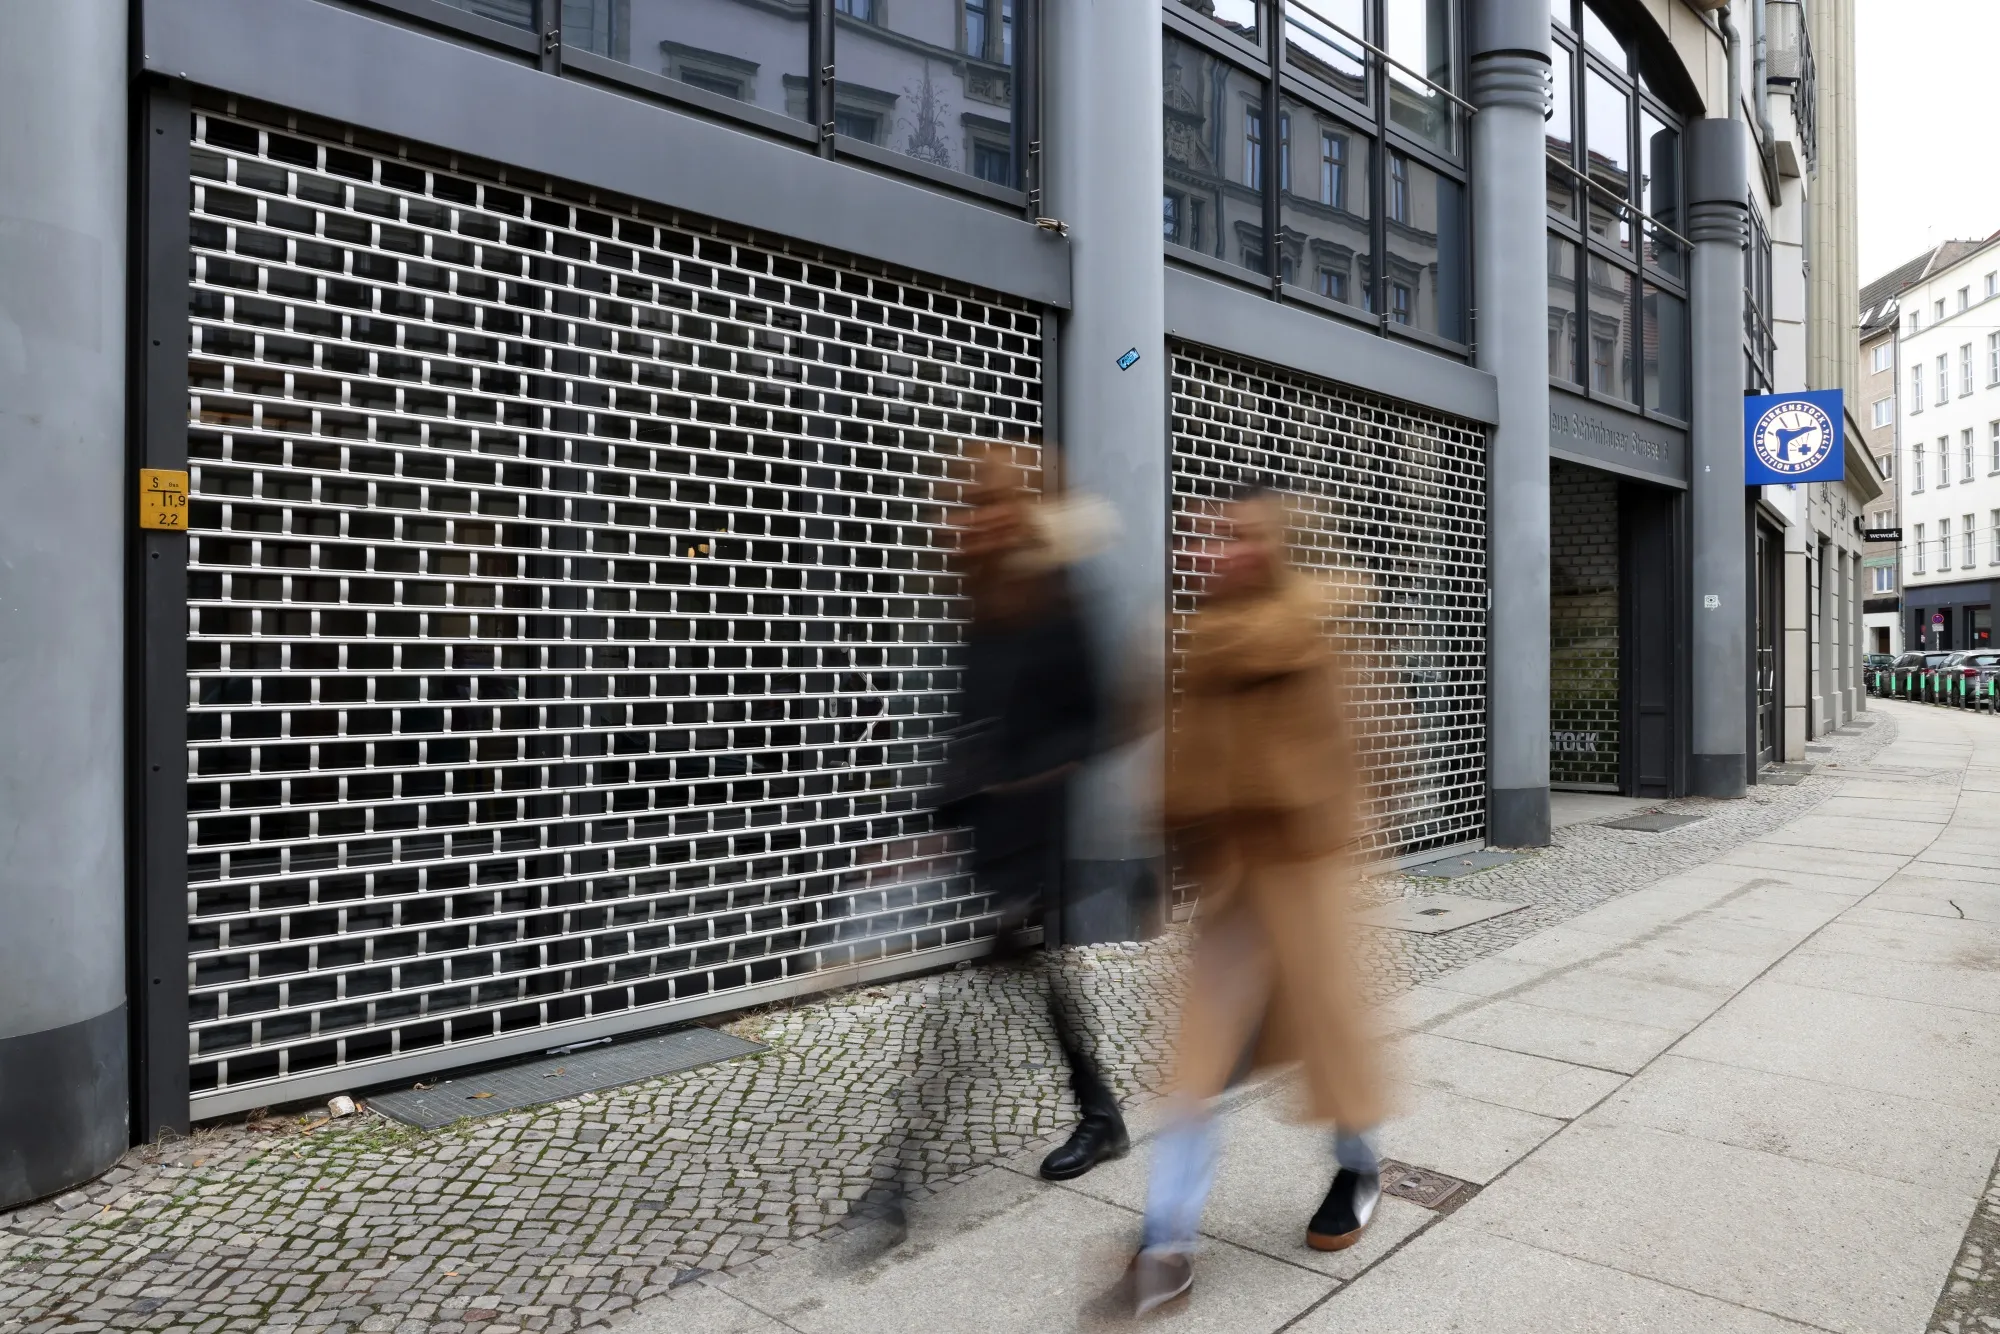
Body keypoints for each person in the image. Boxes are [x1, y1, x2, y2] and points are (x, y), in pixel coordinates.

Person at [1115, 485, 1386, 1316]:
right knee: (1195, 1065)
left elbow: (1369, 743)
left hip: (1307, 879)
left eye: (1233, 537)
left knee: (1330, 1049)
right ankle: (1166, 1243)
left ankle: (1360, 1164)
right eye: (1208, 537)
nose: (1213, 552)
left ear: (1274, 546)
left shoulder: (1322, 629)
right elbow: (1183, 756)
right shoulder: (1203, 642)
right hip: (1235, 884)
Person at [860, 444, 1127, 1251]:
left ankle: (895, 1184)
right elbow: (968, 724)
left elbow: (1099, 717)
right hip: (988, 828)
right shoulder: (979, 601)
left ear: (1021, 511)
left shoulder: (1059, 597)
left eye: (986, 506)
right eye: (964, 507)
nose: (969, 521)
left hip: (1039, 825)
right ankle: (1101, 1114)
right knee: (1038, 989)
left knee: (962, 1013)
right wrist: (930, 819)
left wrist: (1023, 781)